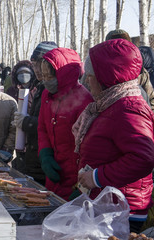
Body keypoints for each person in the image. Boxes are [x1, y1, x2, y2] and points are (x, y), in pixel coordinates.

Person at [73, 39, 154, 233]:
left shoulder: (128, 109)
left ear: (105, 77)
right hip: (107, 202)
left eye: (91, 75)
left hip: (122, 210)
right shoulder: (109, 104)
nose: (87, 81)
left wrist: (96, 177)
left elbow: (143, 158)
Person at [37, 48, 93, 201]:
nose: (46, 80)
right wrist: (45, 154)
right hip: (53, 175)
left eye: (50, 76)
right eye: (44, 76)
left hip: (76, 179)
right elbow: (42, 128)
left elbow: (91, 147)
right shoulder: (46, 96)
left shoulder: (84, 100)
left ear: (63, 74)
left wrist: (83, 188)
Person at [10, 41, 58, 185]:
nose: (37, 69)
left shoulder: (53, 89)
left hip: (47, 162)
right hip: (33, 157)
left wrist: (26, 122)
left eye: (41, 64)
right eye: (34, 64)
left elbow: (52, 124)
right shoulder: (39, 87)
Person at [105, 29, 154, 111]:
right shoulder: (99, 69)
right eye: (114, 46)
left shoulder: (140, 70)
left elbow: (151, 98)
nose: (119, 50)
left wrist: (148, 118)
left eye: (123, 46)